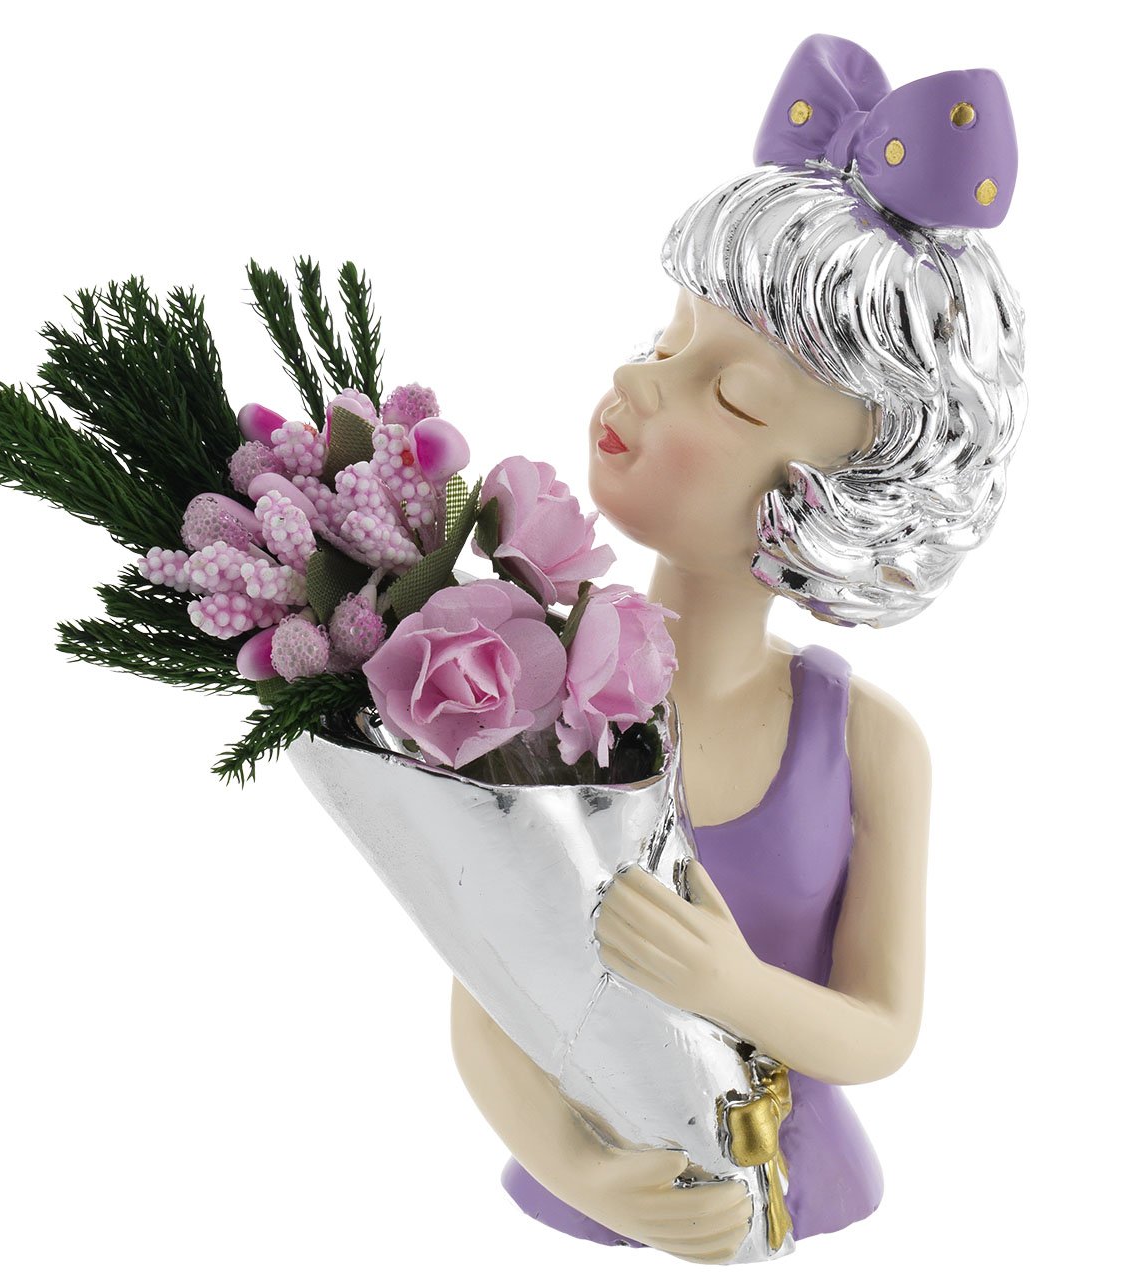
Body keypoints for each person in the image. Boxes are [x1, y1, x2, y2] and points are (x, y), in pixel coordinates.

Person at [451, 33, 1025, 1263]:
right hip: (586, 1195)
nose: (638, 375)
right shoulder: (531, 690)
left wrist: (731, 985)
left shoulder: (867, 744)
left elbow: (880, 1028)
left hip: (793, 1187)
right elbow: (486, 994)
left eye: (733, 395)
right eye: (667, 340)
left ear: (829, 500)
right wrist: (584, 1169)